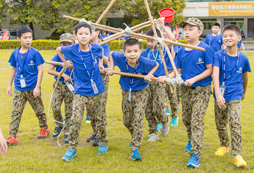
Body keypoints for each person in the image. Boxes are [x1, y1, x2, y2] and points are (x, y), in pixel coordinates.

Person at [158, 17, 214, 167]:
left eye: (191, 29)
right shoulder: (181, 50)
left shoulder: (205, 49)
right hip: (185, 91)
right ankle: (191, 139)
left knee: (196, 121)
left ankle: (195, 154)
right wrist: (166, 77)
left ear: (200, 32)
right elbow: (177, 72)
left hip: (201, 90)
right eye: (185, 30)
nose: (186, 32)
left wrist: (194, 79)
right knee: (186, 119)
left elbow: (210, 69)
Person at [57, 22, 108, 161]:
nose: (84, 36)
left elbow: (101, 55)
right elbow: (58, 49)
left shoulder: (97, 48)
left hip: (97, 89)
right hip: (80, 90)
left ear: (91, 35)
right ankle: (71, 148)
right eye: (80, 34)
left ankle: (103, 142)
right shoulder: (72, 49)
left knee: (99, 118)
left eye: (86, 33)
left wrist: (101, 65)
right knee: (76, 119)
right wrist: (67, 64)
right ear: (75, 35)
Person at [107, 39, 159, 160]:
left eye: (136, 51)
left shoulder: (144, 61)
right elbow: (111, 53)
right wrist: (111, 67)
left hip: (141, 92)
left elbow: (156, 65)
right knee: (127, 121)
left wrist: (149, 75)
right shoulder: (120, 57)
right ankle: (136, 135)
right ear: (124, 53)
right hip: (126, 92)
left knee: (138, 120)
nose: (132, 54)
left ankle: (135, 149)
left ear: (140, 52)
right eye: (129, 51)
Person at [213, 24, 251, 168]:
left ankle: (237, 154)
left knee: (235, 122)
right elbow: (215, 73)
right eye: (225, 36)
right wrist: (217, 93)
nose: (227, 38)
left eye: (231, 35)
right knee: (220, 123)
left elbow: (245, 77)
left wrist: (243, 92)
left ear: (239, 38)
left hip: (235, 94)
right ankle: (224, 145)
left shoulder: (244, 58)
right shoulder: (218, 55)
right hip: (220, 94)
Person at [5, 26, 49, 146]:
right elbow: (13, 70)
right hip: (19, 88)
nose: (28, 40)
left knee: (39, 110)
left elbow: (40, 70)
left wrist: (37, 87)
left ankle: (44, 128)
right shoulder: (15, 53)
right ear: (19, 39)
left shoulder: (35, 53)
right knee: (16, 112)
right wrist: (9, 85)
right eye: (25, 38)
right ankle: (12, 135)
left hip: (32, 88)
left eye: (30, 37)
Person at [141, 28, 171, 142]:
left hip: (159, 82)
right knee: (148, 109)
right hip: (146, 83)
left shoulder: (163, 50)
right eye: (147, 41)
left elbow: (171, 41)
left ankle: (164, 121)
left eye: (152, 41)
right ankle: (153, 132)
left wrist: (162, 27)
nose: (149, 43)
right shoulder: (145, 53)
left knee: (158, 107)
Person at [48, 33, 75, 143]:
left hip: (72, 86)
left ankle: (68, 131)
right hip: (59, 85)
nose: (66, 46)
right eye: (64, 44)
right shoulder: (58, 55)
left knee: (69, 110)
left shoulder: (76, 54)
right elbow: (50, 70)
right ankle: (59, 124)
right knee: (55, 107)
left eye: (69, 43)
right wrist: (62, 74)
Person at [86, 28, 111, 147]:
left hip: (101, 78)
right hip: (89, 79)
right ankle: (95, 132)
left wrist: (98, 49)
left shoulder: (104, 45)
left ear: (97, 33)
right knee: (90, 107)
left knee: (99, 107)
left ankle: (101, 136)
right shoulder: (85, 45)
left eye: (90, 32)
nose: (88, 35)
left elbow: (106, 60)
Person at [163, 22, 181, 126]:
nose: (164, 33)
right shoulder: (158, 43)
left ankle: (174, 115)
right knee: (161, 94)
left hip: (172, 72)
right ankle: (164, 110)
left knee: (172, 96)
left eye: (167, 30)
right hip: (161, 73)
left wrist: (170, 44)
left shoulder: (174, 44)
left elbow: (173, 56)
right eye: (163, 30)